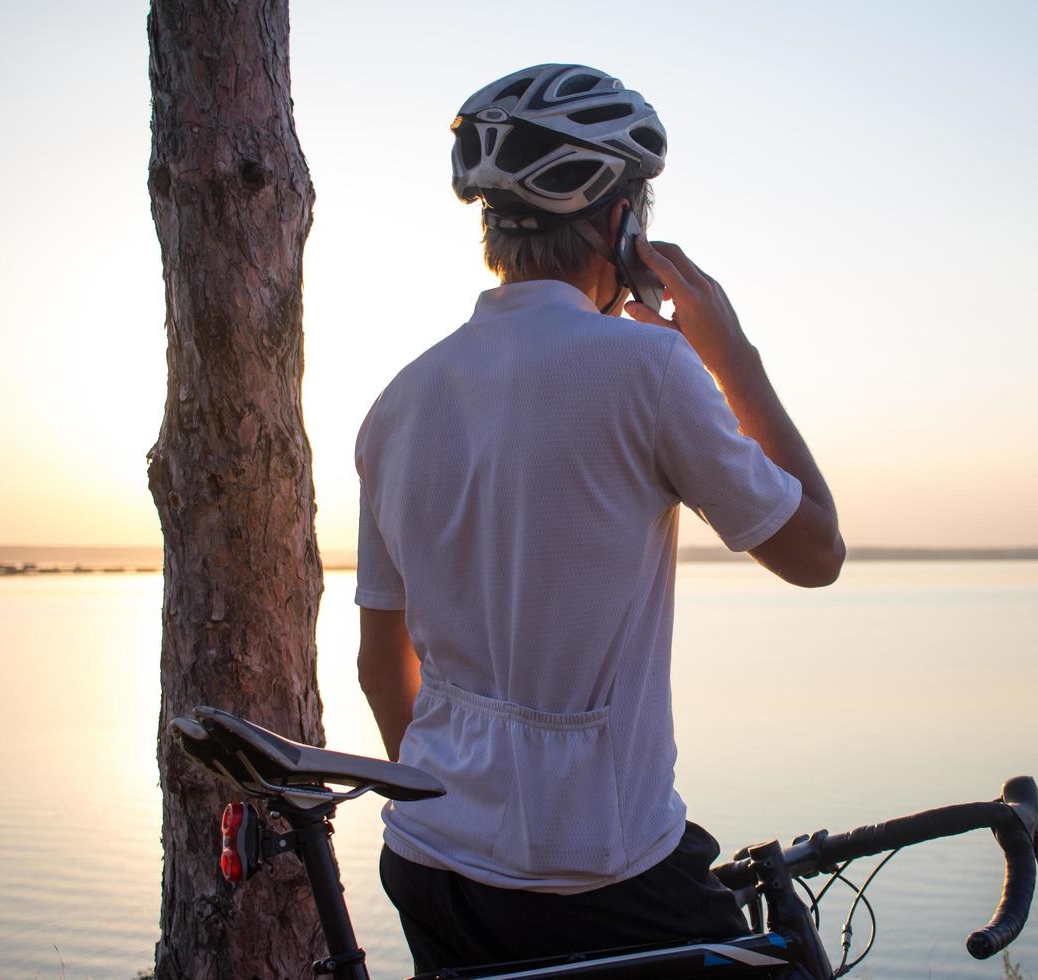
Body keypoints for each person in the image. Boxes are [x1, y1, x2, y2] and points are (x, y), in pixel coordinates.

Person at [354, 63, 845, 973]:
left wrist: (474, 816)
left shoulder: (398, 402)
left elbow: (383, 665)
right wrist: (733, 356)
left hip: (432, 864)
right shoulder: (649, 372)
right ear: (622, 228)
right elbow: (815, 551)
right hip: (599, 873)